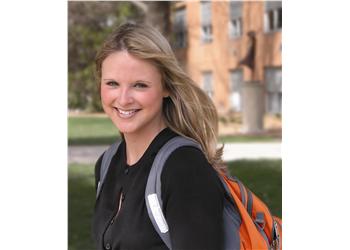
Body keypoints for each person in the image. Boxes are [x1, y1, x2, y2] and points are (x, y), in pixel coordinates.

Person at [92, 22, 228, 250]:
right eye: (112, 84)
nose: (123, 99)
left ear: (166, 87)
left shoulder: (185, 169)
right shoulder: (108, 162)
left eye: (140, 85)